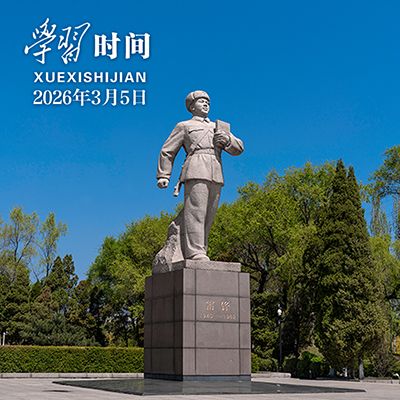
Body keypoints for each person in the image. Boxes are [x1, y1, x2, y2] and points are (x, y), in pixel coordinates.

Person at [157, 90, 244, 261]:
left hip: (216, 170)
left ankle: (202, 250)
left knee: (209, 215)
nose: (205, 104)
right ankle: (195, 252)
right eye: (201, 101)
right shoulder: (184, 126)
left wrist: (227, 141)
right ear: (191, 106)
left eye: (208, 102)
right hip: (196, 167)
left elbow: (239, 148)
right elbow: (167, 151)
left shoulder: (218, 126)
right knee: (196, 212)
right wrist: (164, 175)